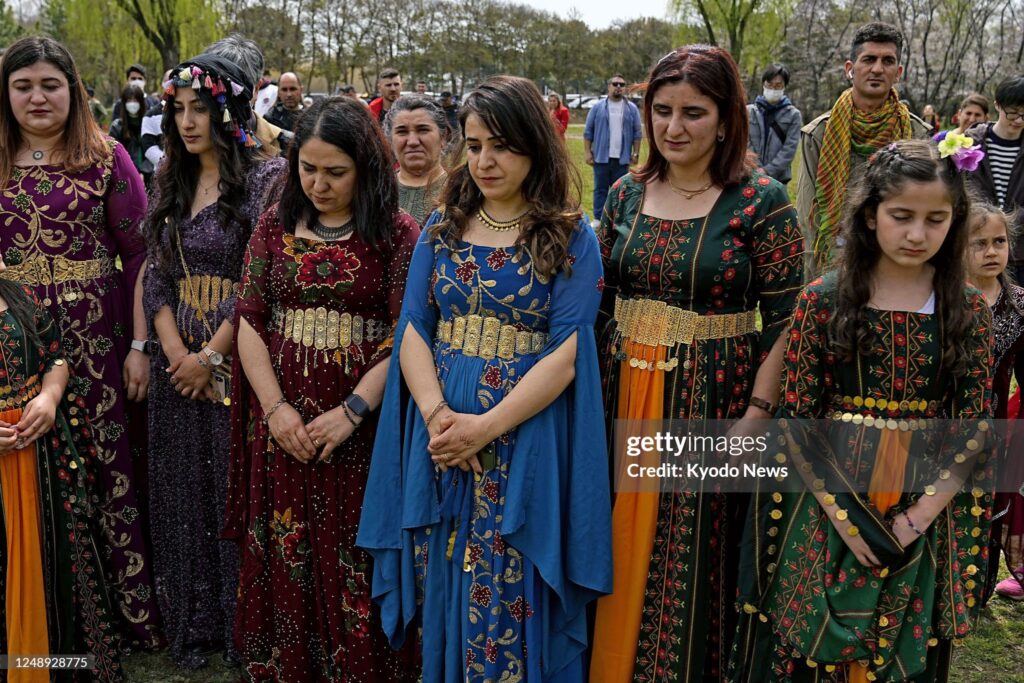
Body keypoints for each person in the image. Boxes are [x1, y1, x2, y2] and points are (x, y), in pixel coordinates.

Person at [358, 75, 612, 682]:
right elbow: (414, 328)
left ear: (534, 146)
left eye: (501, 146)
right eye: (474, 146)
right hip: (441, 432)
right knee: (443, 562)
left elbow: (568, 353)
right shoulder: (441, 228)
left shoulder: (571, 235)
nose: (485, 161)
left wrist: (486, 427)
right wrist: (437, 417)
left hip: (523, 433)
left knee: (506, 570)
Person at [730, 139, 993, 682]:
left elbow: (972, 426)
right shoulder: (823, 298)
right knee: (813, 644)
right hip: (826, 493)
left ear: (954, 222)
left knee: (894, 645)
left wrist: (917, 519)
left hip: (921, 497)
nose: (917, 234)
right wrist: (849, 521)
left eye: (936, 220)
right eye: (902, 216)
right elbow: (799, 417)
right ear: (871, 215)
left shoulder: (967, 307)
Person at [589, 45, 805, 682]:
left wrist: (757, 415)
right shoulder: (625, 194)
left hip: (712, 397)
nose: (673, 127)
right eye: (661, 111)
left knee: (691, 553)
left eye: (693, 113)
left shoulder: (762, 201)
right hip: (619, 390)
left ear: (726, 117)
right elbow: (600, 299)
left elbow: (788, 320)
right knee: (612, 535)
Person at [224, 95, 420, 682]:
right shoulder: (275, 223)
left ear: (366, 167)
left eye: (336, 172)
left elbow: (405, 334)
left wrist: (353, 411)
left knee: (352, 548)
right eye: (307, 169)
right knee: (285, 538)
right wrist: (275, 409)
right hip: (281, 418)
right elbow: (250, 318)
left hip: (362, 424)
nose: (318, 184)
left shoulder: (397, 232)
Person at [0, 35, 161, 649]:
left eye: (50, 85)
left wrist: (140, 346)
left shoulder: (108, 156)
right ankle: (50, 623)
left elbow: (140, 254)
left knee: (107, 469)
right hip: (17, 348)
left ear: (73, 89)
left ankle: (127, 619)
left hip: (101, 337)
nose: (37, 97)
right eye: (23, 86)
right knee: (31, 468)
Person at [142, 54, 286, 669]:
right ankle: (192, 620)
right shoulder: (168, 177)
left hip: (238, 354)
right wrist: (176, 354)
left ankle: (239, 621)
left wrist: (210, 356)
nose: (186, 121)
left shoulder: (266, 177)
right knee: (181, 490)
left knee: (233, 490)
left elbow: (258, 276)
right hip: (175, 365)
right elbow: (155, 274)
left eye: (199, 108)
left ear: (229, 110)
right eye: (177, 109)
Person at [0, 270, 125, 681]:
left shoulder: (19, 295)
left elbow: (55, 358)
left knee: (55, 563)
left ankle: (58, 668)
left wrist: (50, 397)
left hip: (39, 457)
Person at [797, 22, 930, 274]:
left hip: (899, 260)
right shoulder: (819, 133)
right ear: (850, 69)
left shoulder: (917, 134)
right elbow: (808, 213)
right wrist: (820, 272)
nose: (877, 69)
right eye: (869, 59)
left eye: (888, 61)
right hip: (835, 260)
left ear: (898, 72)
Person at [964, 203, 1024, 604]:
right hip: (942, 425)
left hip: (996, 430)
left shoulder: (1020, 306)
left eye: (999, 242)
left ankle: (976, 591)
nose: (991, 251)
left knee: (985, 508)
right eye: (979, 243)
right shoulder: (941, 298)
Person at [965, 75, 1024, 284]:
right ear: (997, 105)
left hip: (1020, 254)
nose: (1019, 120)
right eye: (1013, 113)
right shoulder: (970, 144)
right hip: (976, 248)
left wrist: (1007, 224)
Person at [205, 36, 292, 158]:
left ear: (256, 89)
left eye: (235, 89)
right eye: (216, 87)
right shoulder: (190, 142)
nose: (223, 99)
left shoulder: (287, 145)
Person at [584, 74, 643, 223]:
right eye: (615, 84)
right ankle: (598, 219)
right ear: (609, 86)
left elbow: (637, 133)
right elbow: (588, 131)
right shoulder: (598, 107)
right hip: (601, 157)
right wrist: (587, 152)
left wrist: (635, 153)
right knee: (600, 189)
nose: (618, 87)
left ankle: (617, 220)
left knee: (621, 191)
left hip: (622, 159)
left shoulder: (632, 109)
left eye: (621, 85)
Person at [385, 95, 449, 225]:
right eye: (402, 132)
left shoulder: (461, 192)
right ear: (390, 141)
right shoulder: (376, 192)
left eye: (423, 130)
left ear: (443, 137)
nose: (412, 142)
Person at [747, 62, 803, 184]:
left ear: (784, 87)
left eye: (778, 85)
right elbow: (743, 142)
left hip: (778, 179)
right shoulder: (749, 112)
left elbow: (789, 149)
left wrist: (767, 170)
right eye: (769, 85)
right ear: (764, 84)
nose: (773, 89)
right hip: (749, 174)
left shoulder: (793, 115)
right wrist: (755, 167)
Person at [110, 84, 154, 187]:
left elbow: (156, 150)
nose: (132, 104)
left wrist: (143, 171)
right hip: (125, 178)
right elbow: (114, 156)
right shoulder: (117, 127)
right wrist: (132, 173)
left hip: (149, 176)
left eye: (135, 100)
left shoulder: (149, 123)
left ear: (141, 102)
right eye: (129, 100)